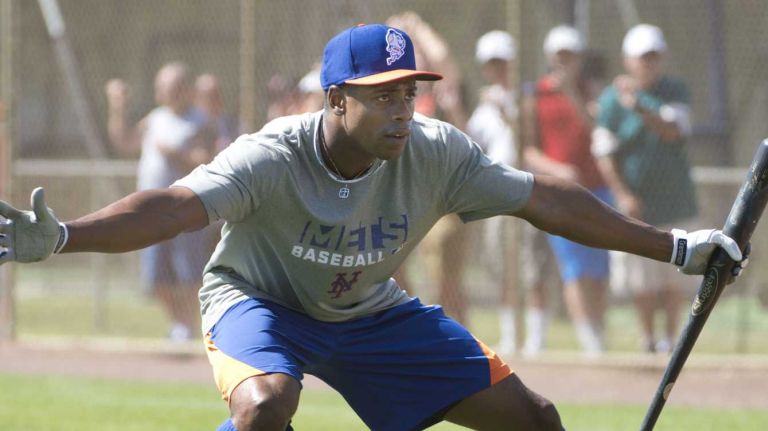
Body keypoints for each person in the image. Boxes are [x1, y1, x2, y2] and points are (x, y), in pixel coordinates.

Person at [0, 23, 745, 431]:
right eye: (382, 95)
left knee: (534, 419)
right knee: (264, 406)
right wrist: (64, 235)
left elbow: (546, 200)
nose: (402, 109)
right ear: (333, 100)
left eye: (410, 92)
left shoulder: (436, 152)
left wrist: (676, 246)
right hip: (259, 301)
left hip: (368, 311)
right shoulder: (271, 155)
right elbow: (169, 207)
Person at [592, 24, 699, 353]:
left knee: (673, 278)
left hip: (676, 202)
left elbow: (673, 131)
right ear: (628, 61)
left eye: (653, 57)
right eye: (642, 58)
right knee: (642, 282)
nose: (648, 64)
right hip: (637, 207)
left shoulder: (674, 91)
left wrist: (638, 105)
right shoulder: (611, 101)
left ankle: (671, 341)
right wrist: (623, 194)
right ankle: (648, 340)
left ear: (662, 58)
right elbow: (604, 152)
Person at [104, 62, 218, 342]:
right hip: (150, 212)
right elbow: (125, 142)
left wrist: (174, 154)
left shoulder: (199, 120)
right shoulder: (155, 118)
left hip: (184, 210)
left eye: (171, 87)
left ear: (184, 89)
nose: (165, 93)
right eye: (162, 87)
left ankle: (188, 327)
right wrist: (117, 106)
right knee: (155, 278)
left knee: (188, 273)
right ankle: (179, 323)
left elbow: (206, 159)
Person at [466, 29, 561, 356]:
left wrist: (504, 110)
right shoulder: (484, 103)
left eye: (502, 62)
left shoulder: (526, 96)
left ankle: (536, 340)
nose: (498, 69)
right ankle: (510, 336)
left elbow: (526, 142)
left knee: (531, 268)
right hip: (494, 195)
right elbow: (472, 142)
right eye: (492, 63)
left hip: (524, 189)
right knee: (502, 269)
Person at [521, 25, 611, 356]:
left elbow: (598, 131)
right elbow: (528, 150)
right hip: (560, 193)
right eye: (559, 56)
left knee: (599, 268)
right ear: (549, 57)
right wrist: (557, 170)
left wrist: (573, 95)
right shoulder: (536, 95)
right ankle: (590, 343)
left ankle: (599, 333)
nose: (564, 62)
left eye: (570, 56)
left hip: (597, 189)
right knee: (574, 267)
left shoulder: (592, 93)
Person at [385, 11, 473, 325]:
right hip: (396, 194)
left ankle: (460, 338)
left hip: (440, 195)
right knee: (387, 270)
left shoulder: (443, 94)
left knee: (444, 275)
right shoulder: (390, 94)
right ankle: (410, 327)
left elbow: (444, 60)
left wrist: (418, 28)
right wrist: (393, 33)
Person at [195, 73, 239, 153]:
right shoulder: (193, 124)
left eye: (216, 94)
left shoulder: (231, 124)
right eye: (208, 96)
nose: (214, 100)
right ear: (197, 97)